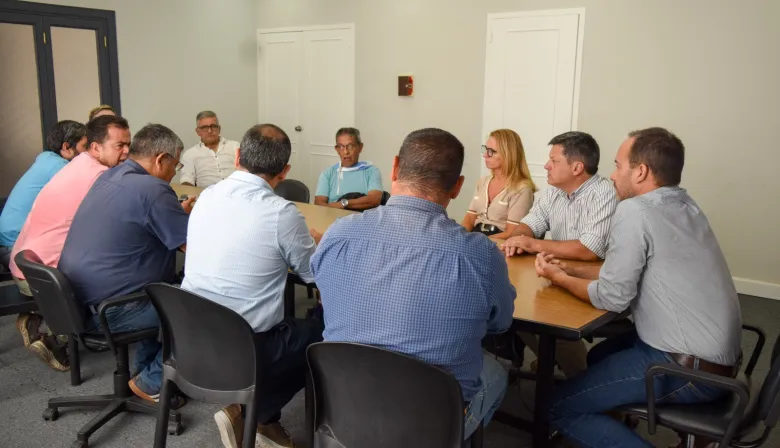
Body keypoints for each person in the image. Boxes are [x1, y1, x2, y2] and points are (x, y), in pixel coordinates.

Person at [535, 127, 741, 448]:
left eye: (618, 166)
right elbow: (633, 269)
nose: (613, 176)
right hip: (718, 357)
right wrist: (569, 267)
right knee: (601, 353)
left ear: (641, 171)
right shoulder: (686, 207)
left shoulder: (634, 210)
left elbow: (612, 297)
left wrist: (560, 278)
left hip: (684, 368)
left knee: (558, 407)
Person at [312, 128, 515, 439]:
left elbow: (324, 293)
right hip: (428, 421)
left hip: (343, 404)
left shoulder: (338, 234)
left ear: (394, 168)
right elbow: (501, 323)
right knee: (497, 373)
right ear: (458, 187)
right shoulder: (481, 256)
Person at [182, 123, 323, 448]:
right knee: (319, 333)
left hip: (189, 339)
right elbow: (314, 274)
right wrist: (323, 245)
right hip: (244, 348)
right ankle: (258, 414)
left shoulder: (205, 196)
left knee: (286, 329)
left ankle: (256, 415)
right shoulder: (281, 213)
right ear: (285, 171)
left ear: (237, 156)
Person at [59, 124, 195, 409]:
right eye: (176, 163)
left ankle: (142, 373)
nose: (175, 172)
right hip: (113, 309)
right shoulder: (154, 189)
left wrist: (172, 214)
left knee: (165, 288)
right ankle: (152, 380)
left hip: (77, 300)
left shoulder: (110, 176)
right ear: (160, 159)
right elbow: (194, 249)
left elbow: (134, 223)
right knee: (203, 307)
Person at [9, 115, 130, 372]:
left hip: (26, 264)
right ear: (96, 147)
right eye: (120, 146)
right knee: (125, 272)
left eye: (128, 144)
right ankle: (51, 330)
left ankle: (50, 325)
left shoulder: (78, 164)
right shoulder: (100, 177)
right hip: (47, 279)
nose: (127, 152)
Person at [503, 131, 618, 378]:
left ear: (577, 167)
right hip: (554, 274)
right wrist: (518, 237)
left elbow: (589, 250)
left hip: (591, 280)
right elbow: (530, 223)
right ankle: (554, 360)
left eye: (554, 161)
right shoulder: (553, 191)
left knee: (553, 327)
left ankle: (582, 383)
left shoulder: (604, 194)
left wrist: (534, 245)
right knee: (511, 309)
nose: (546, 166)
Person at [0, 121, 87, 269]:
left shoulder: (46, 159)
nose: (87, 153)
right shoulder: (60, 168)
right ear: (66, 147)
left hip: (7, 242)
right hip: (16, 249)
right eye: (84, 147)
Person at [462, 129, 536, 239]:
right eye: (485, 149)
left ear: (508, 154)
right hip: (476, 236)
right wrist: (460, 238)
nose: (485, 155)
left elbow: (511, 233)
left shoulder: (522, 189)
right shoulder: (482, 182)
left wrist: (478, 243)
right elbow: (469, 219)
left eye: (492, 151)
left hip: (499, 240)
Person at [314, 127, 383, 210]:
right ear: (337, 149)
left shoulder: (371, 171)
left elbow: (374, 200)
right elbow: (319, 203)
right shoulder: (328, 174)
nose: (346, 152)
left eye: (350, 146)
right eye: (341, 147)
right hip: (334, 218)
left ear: (360, 147)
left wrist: (343, 204)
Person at [179, 110, 240, 187]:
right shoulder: (190, 154)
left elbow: (248, 173)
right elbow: (186, 182)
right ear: (198, 131)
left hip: (237, 193)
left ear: (219, 129)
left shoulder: (235, 146)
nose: (210, 131)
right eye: (205, 127)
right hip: (206, 196)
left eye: (213, 126)